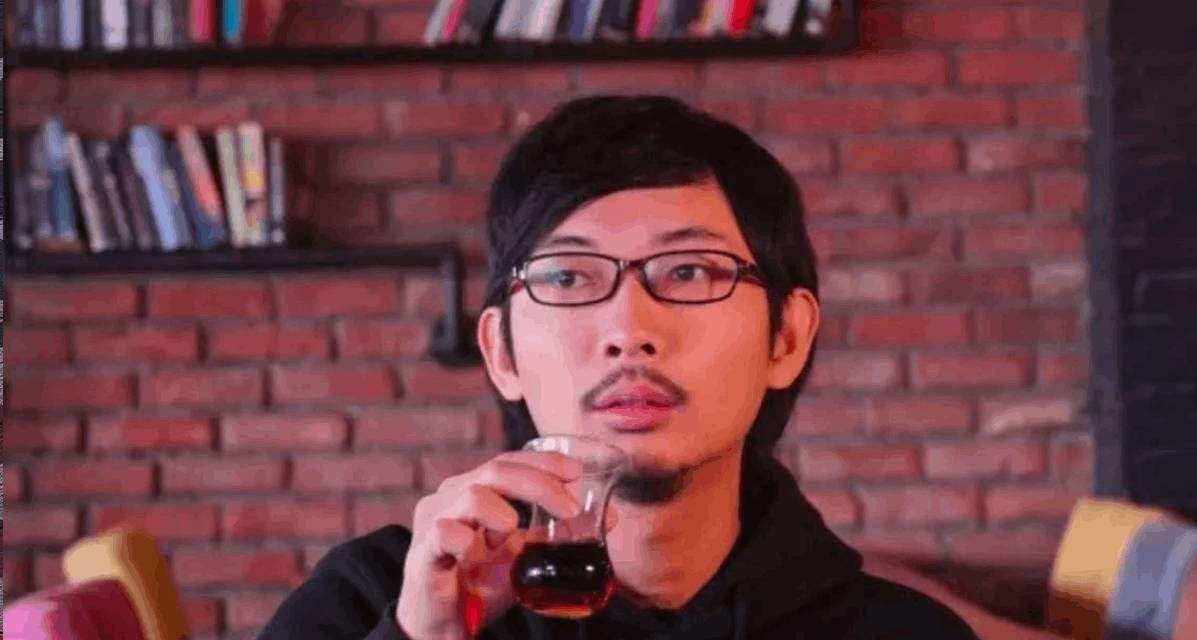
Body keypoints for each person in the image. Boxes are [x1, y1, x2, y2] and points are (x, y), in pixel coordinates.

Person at [258, 95, 978, 639]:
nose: (629, 331)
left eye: (690, 271)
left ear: (786, 338)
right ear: (501, 352)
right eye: (568, 277)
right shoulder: (370, 604)